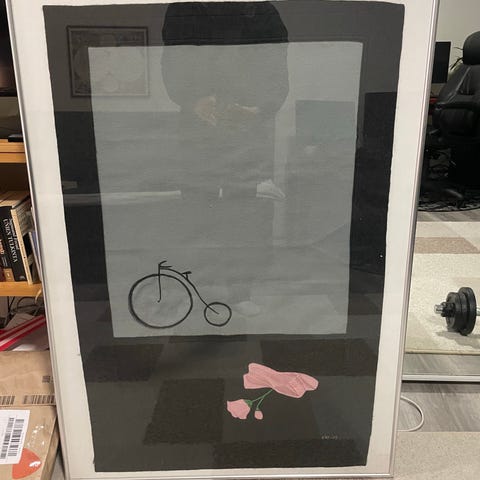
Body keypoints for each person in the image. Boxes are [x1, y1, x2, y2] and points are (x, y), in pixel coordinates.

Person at [161, 1, 289, 317]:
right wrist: (194, 101)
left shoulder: (263, 11)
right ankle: (195, 289)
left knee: (245, 214)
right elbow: (173, 62)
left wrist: (258, 109)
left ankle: (240, 291)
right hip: (196, 130)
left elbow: (276, 67)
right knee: (195, 211)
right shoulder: (184, 8)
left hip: (247, 131)